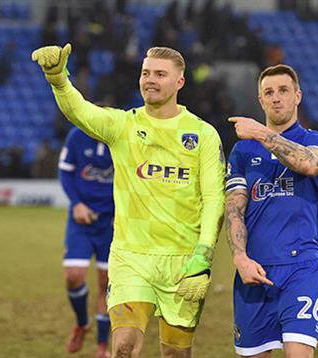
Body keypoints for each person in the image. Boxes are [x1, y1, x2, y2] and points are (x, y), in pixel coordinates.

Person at [32, 44, 225, 358]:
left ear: (180, 82)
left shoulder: (203, 135)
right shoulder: (123, 126)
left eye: (160, 74)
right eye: (146, 72)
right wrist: (58, 79)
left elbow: (214, 197)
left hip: (183, 260)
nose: (150, 79)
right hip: (130, 258)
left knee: (175, 353)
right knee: (122, 348)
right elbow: (80, 111)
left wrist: (203, 256)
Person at [225, 64, 318, 358]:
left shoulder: (317, 141)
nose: (276, 98)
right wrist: (240, 258)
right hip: (254, 271)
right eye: (268, 93)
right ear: (260, 100)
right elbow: (234, 207)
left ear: (297, 96)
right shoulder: (242, 152)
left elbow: (309, 164)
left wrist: (261, 132)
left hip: (302, 269)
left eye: (283, 91)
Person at [59, 126, 115, 357]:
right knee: (73, 276)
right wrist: (76, 203)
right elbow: (65, 172)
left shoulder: (121, 136)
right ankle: (82, 323)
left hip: (112, 223)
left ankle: (102, 346)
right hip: (81, 220)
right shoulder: (76, 135)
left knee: (106, 284)